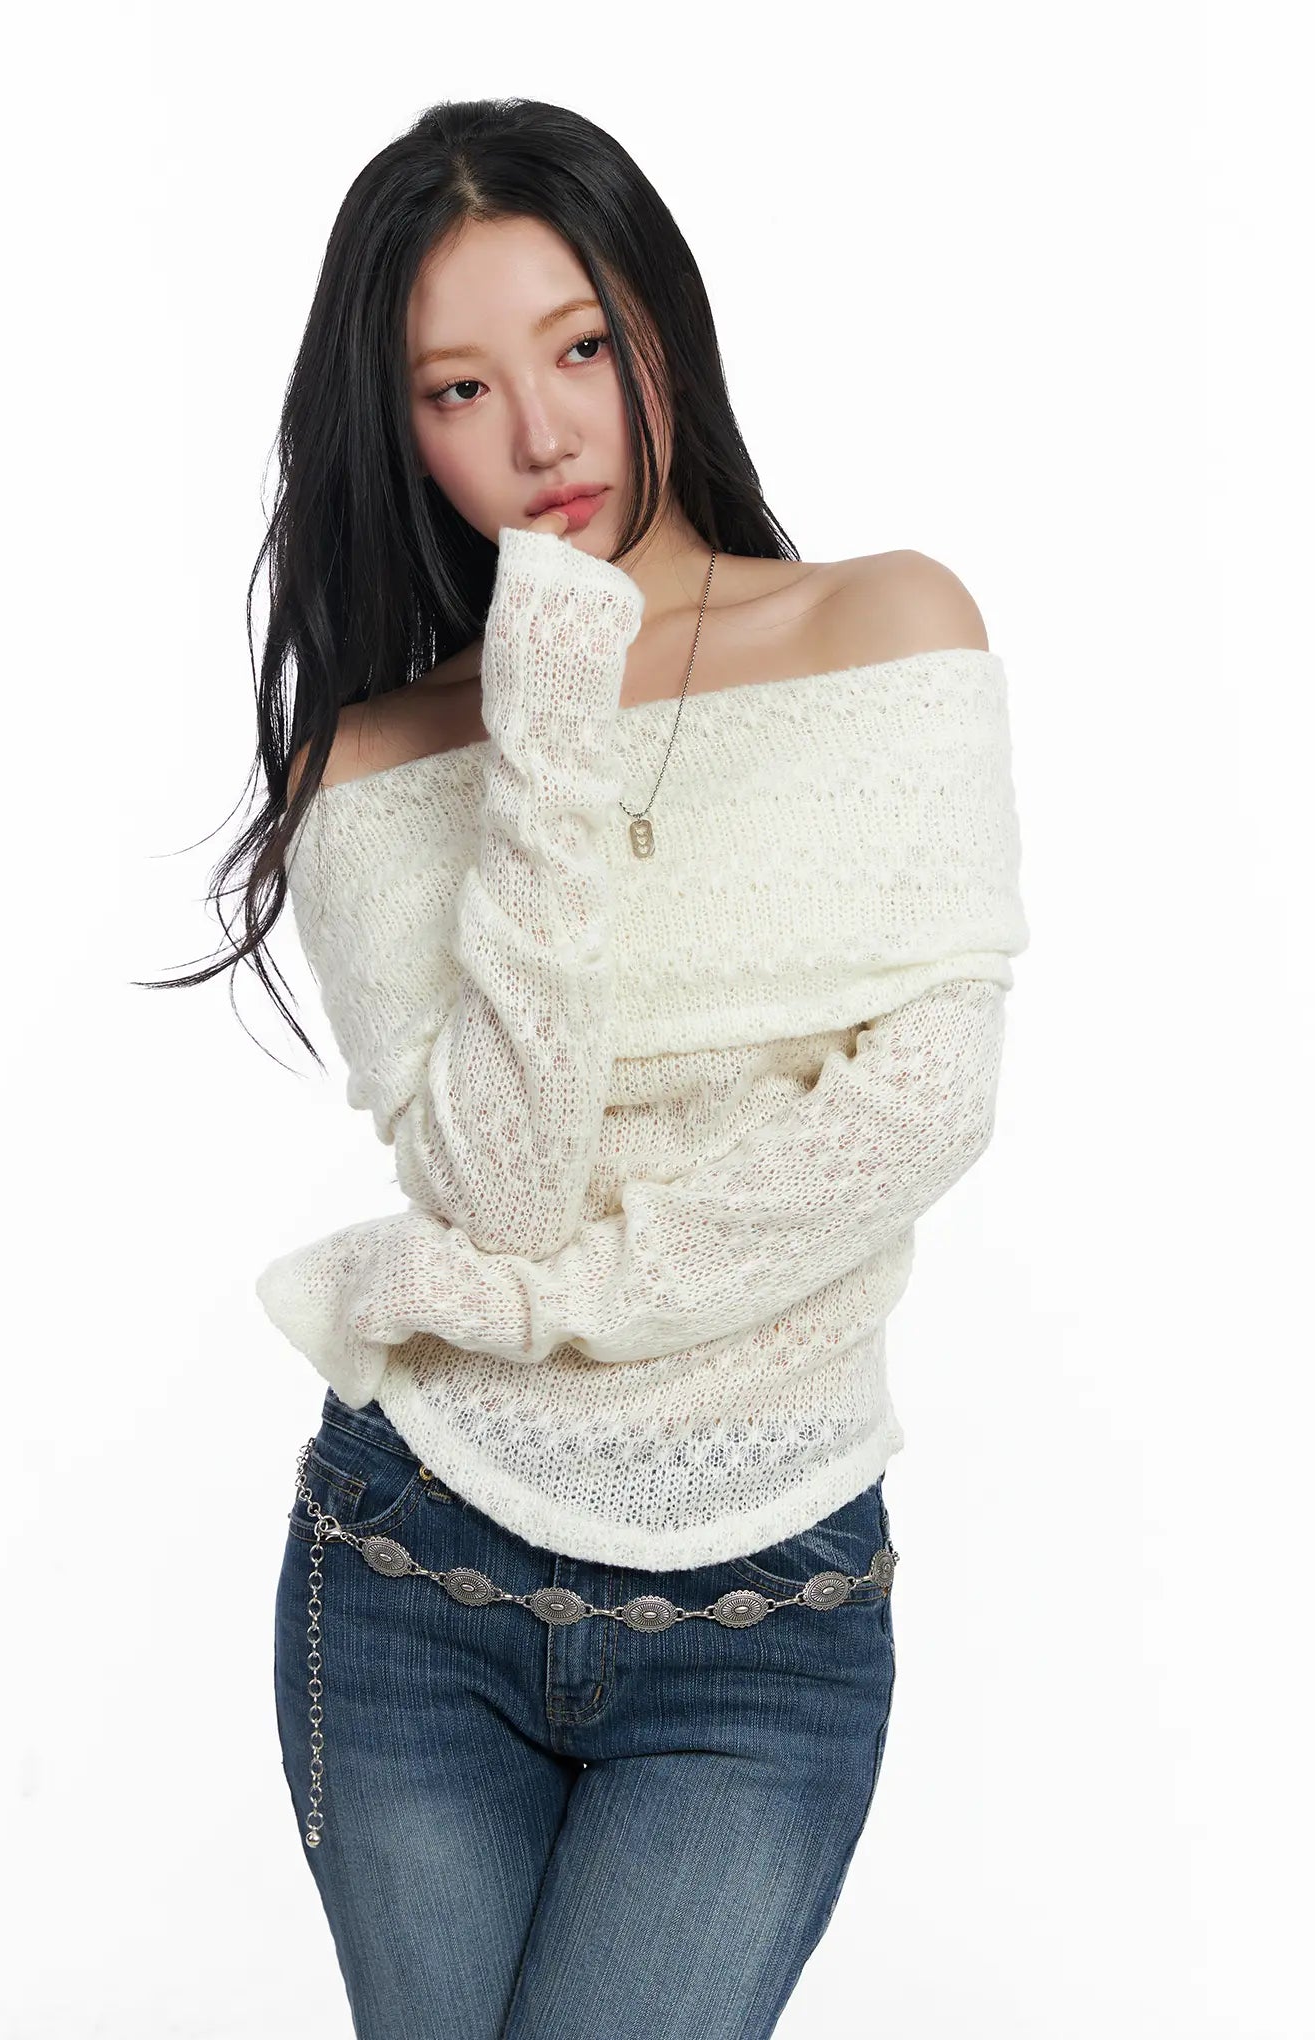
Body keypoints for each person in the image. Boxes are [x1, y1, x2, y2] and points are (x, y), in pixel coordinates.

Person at [155, 96, 1028, 2040]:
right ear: (399, 430)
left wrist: (532, 1307)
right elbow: (501, 1187)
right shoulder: (373, 763)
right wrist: (542, 708)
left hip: (765, 1621)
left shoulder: (891, 628)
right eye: (459, 389)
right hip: (412, 1577)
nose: (541, 434)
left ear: (661, 334)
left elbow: (923, 1107)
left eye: (576, 348)